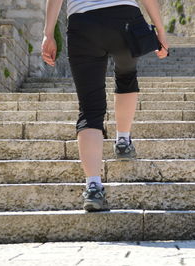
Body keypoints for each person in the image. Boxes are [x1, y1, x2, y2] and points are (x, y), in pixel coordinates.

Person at [41, 0, 169, 212]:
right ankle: (122, 140)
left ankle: (93, 186)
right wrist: (161, 30)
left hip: (83, 24)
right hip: (125, 20)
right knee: (127, 76)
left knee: (90, 108)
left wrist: (48, 34)